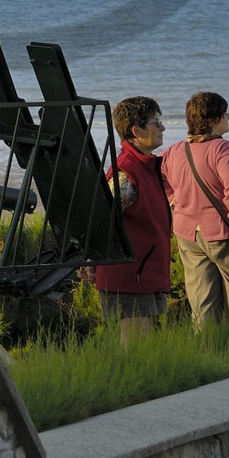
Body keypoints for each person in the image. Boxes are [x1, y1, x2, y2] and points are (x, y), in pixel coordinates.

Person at [162, 91, 229, 326]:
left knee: (202, 299)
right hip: (222, 232)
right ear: (213, 120)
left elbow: (159, 176)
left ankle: (208, 349)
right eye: (225, 114)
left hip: (188, 234)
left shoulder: (175, 150)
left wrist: (172, 197)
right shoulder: (223, 149)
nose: (228, 118)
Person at [94, 96, 173, 344]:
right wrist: (91, 263)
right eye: (155, 123)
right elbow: (102, 222)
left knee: (144, 346)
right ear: (136, 131)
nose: (162, 128)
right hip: (129, 275)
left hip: (143, 271)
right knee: (135, 346)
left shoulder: (145, 165)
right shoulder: (125, 171)